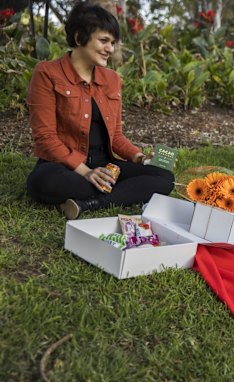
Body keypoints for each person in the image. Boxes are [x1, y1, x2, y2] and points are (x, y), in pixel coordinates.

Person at [26, 1, 174, 220]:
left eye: (113, 43)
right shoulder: (47, 73)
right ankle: (113, 193)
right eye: (104, 41)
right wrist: (86, 172)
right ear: (79, 38)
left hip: (106, 166)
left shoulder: (112, 79)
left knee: (164, 177)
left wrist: (140, 157)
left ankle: (91, 203)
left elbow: (115, 137)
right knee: (44, 182)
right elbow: (45, 138)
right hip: (63, 167)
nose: (110, 49)